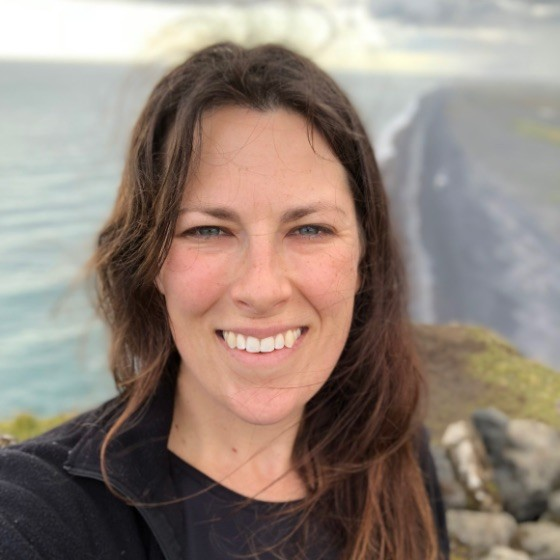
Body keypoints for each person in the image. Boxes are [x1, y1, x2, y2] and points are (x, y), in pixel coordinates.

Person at [0, 42, 449, 559]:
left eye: (309, 228)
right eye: (208, 230)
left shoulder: (397, 458)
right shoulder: (45, 513)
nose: (262, 289)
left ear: (363, 258)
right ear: (153, 261)